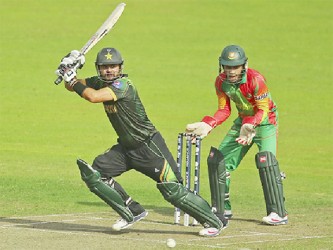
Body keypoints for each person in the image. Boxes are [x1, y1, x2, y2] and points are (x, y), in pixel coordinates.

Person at [55, 47, 228, 236]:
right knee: (96, 173)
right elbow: (73, 86)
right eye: (105, 67)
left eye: (113, 66)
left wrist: (71, 78)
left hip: (148, 146)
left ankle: (214, 222)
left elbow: (92, 96)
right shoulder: (99, 81)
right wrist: (68, 68)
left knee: (172, 189)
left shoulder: (123, 85)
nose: (109, 70)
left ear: (120, 67)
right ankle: (131, 210)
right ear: (98, 68)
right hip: (126, 148)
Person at [185, 45, 288, 225]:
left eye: (235, 67)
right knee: (219, 161)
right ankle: (222, 208)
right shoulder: (221, 82)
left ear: (243, 66)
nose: (231, 71)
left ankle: (278, 212)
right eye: (227, 66)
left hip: (265, 122)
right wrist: (209, 124)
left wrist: (252, 124)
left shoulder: (256, 80)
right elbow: (224, 110)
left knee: (267, 162)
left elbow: (263, 109)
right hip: (243, 121)